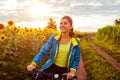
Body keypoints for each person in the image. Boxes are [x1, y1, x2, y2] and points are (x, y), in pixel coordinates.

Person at [27, 15, 80, 80]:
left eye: (65, 23)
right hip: (51, 66)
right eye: (61, 23)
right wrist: (33, 64)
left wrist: (72, 72)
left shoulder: (75, 42)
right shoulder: (54, 38)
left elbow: (76, 59)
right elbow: (43, 52)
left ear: (71, 27)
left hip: (66, 70)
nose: (62, 25)